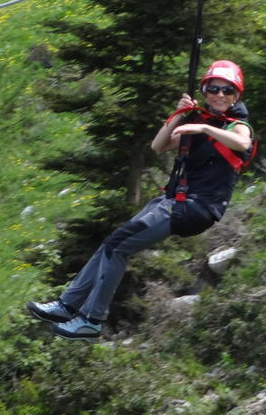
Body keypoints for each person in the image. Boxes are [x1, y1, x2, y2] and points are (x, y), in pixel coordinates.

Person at [27, 60, 254, 340]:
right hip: (173, 202)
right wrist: (179, 115)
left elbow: (242, 143)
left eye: (227, 91)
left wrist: (203, 129)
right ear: (205, 91)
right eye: (213, 88)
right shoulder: (200, 123)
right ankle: (66, 305)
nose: (220, 95)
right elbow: (158, 146)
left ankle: (91, 319)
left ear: (237, 95)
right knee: (109, 245)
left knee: (117, 248)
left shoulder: (236, 126)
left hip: (195, 208)